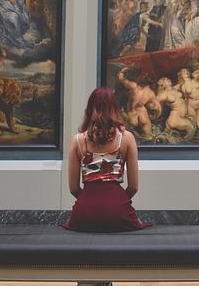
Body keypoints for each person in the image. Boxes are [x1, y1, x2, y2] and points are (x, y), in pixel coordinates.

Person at [64, 87, 151, 232]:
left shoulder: (77, 141)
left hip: (84, 213)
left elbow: (73, 188)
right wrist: (118, 202)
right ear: (114, 108)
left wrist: (91, 201)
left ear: (90, 108)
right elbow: (134, 187)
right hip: (118, 211)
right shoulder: (127, 138)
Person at [118, 67, 161, 139]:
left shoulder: (134, 87)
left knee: (126, 138)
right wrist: (155, 118)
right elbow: (159, 109)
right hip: (143, 116)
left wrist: (123, 71)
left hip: (132, 116)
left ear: (143, 79)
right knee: (149, 137)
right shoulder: (151, 93)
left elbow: (121, 78)